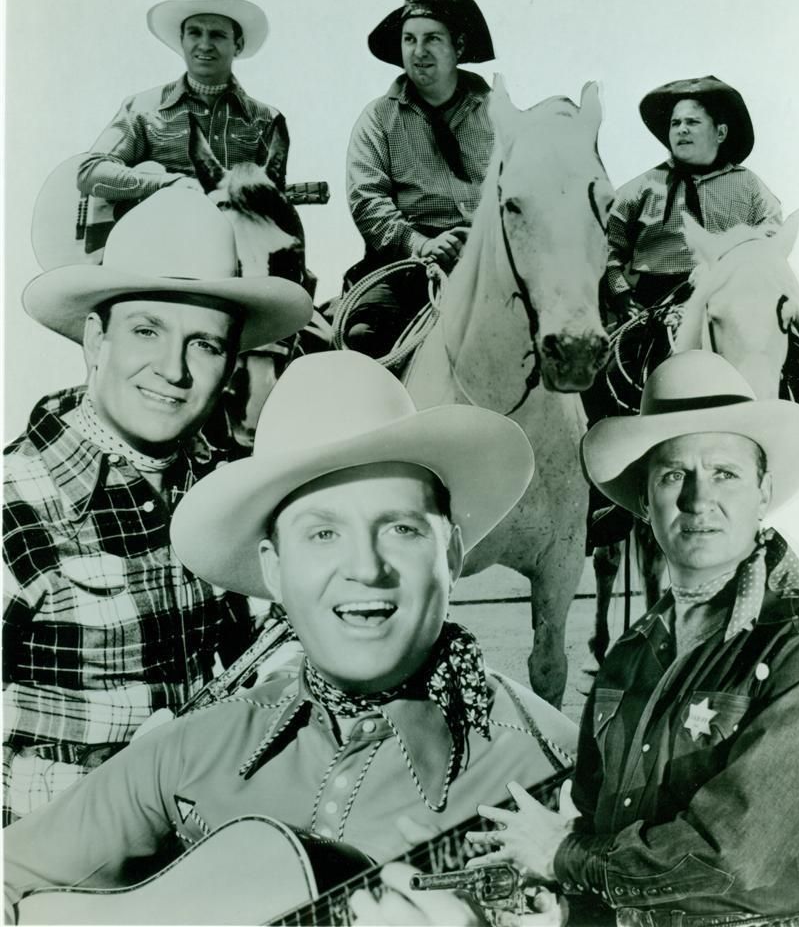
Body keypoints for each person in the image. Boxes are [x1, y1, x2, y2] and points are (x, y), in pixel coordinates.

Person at [3, 350, 579, 924]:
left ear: (450, 555)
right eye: (323, 532)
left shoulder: (566, 777)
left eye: (402, 528)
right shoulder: (190, 750)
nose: (366, 568)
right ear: (274, 569)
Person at [460, 350, 799, 926]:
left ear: (764, 492)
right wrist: (565, 909)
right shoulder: (629, 656)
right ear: (646, 503)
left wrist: (562, 855)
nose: (699, 500)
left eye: (725, 473)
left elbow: (732, 860)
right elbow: (600, 838)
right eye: (675, 475)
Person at [2, 189, 312, 824]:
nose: (173, 369)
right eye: (148, 331)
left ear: (230, 367)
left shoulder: (234, 496)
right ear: (96, 339)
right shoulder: (12, 501)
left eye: (203, 344)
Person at [345, 0, 495, 355]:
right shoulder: (378, 117)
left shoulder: (499, 114)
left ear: (458, 46)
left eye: (432, 39)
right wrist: (423, 244)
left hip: (491, 259)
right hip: (409, 265)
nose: (419, 51)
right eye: (410, 39)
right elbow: (367, 200)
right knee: (364, 336)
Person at [76, 0, 289, 208]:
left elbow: (270, 205)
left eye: (217, 35)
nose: (204, 45)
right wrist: (170, 184)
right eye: (195, 33)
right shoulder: (143, 109)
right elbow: (90, 172)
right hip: (152, 240)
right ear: (182, 40)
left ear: (237, 45)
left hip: (232, 242)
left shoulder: (266, 120)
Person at [605, 76, 782, 323]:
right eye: (675, 123)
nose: (682, 129)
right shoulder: (639, 190)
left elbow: (772, 241)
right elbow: (607, 252)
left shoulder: (750, 186)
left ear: (720, 132)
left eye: (692, 122)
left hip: (732, 303)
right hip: (654, 308)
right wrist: (622, 298)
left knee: (798, 347)